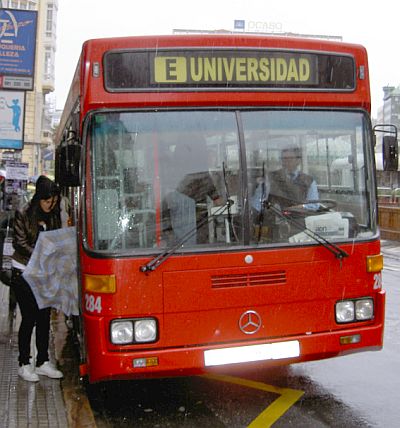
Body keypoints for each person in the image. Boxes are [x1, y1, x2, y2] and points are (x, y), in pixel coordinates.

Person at [11, 175, 64, 382]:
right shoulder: (23, 213)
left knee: (44, 317)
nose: (50, 205)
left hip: (44, 272)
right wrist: (42, 253)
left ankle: (42, 361)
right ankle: (24, 363)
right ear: (38, 198)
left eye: (53, 201)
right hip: (23, 271)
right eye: (46, 200)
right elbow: (19, 242)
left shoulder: (52, 215)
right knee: (30, 316)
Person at [251, 145, 319, 241]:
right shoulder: (270, 178)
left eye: (290, 158)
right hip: (275, 228)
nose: (286, 161)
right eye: (284, 158)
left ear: (298, 161)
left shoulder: (309, 181)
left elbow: (314, 206)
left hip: (301, 229)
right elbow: (257, 204)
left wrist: (296, 208)